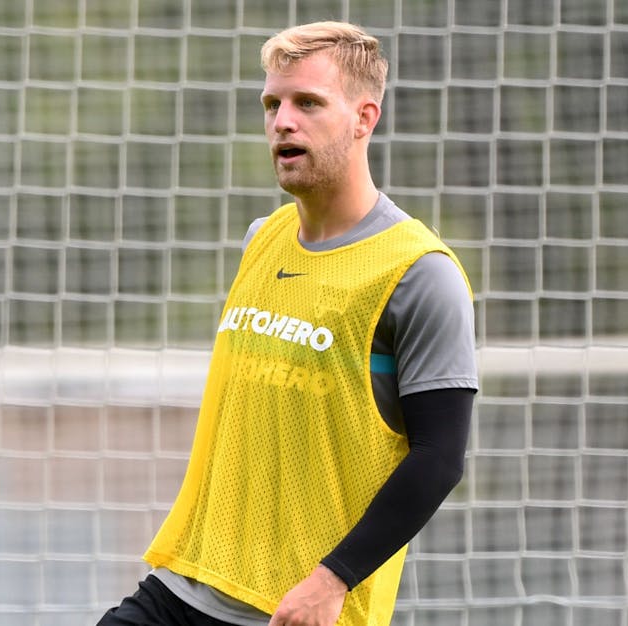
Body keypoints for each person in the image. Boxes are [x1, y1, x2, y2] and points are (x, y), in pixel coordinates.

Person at [96, 21, 478, 626]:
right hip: (186, 584)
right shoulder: (262, 239)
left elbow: (440, 457)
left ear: (364, 117)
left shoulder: (419, 273)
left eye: (307, 103)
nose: (282, 122)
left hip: (296, 613)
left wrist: (334, 579)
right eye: (272, 104)